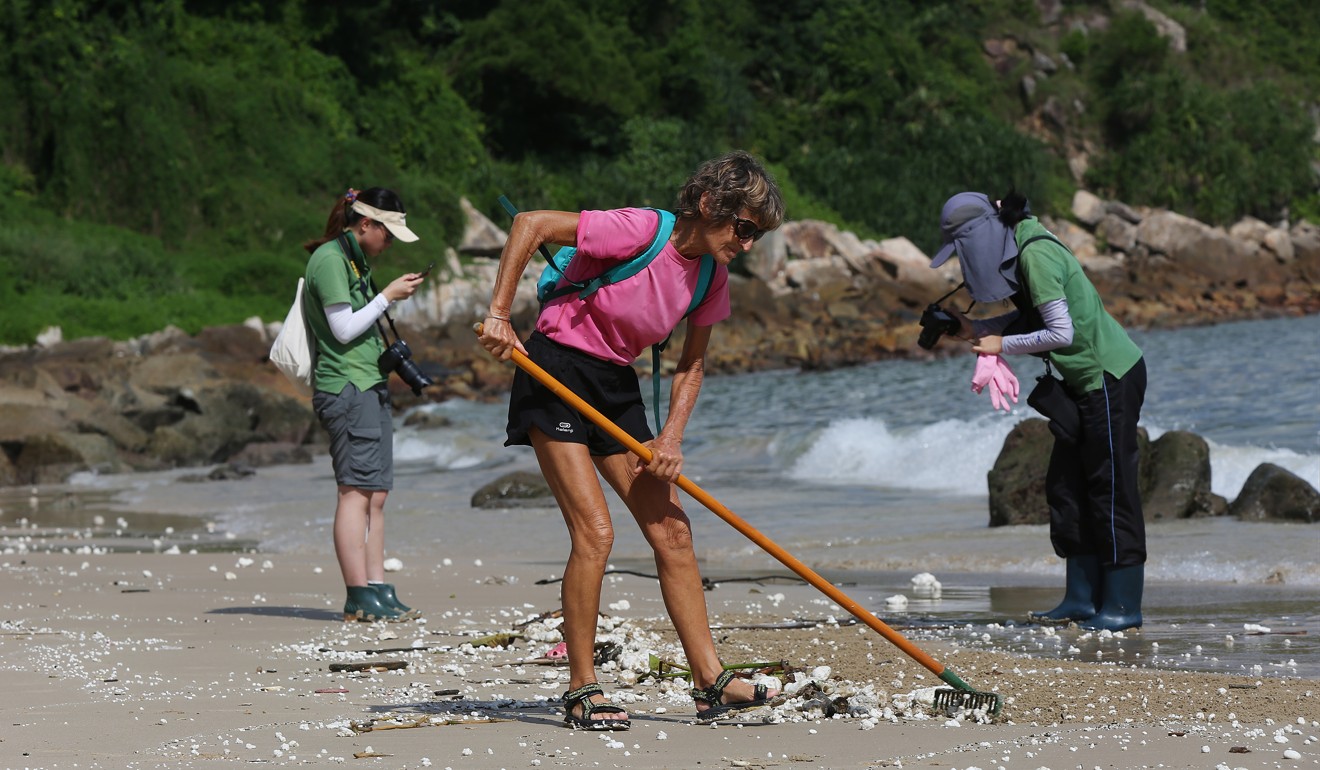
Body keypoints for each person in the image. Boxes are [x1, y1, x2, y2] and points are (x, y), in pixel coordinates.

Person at [477, 151, 785, 729]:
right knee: (595, 533)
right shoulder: (643, 230)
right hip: (556, 373)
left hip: (615, 386)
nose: (747, 244)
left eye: (756, 235)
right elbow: (531, 225)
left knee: (673, 532)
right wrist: (499, 315)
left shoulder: (712, 277)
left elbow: (692, 366)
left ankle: (710, 682)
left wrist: (671, 438)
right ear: (707, 204)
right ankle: (581, 689)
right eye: (743, 228)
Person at [928, 191, 1147, 632]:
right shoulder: (1022, 245)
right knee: (1066, 487)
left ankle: (1123, 606)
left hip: (1109, 377)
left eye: (962, 251)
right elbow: (1033, 319)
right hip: (1079, 385)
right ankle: (1081, 599)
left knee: (1109, 488)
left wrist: (999, 343)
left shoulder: (1036, 254)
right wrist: (976, 328)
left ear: (978, 238)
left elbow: (1060, 333)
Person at [303, 187, 427, 623]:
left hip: (367, 382)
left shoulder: (355, 259)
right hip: (346, 386)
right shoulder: (331, 260)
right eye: (388, 233)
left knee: (375, 495)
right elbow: (341, 329)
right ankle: (357, 593)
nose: (389, 243)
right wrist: (388, 295)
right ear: (365, 224)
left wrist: (386, 295)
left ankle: (376, 587)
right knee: (354, 492)